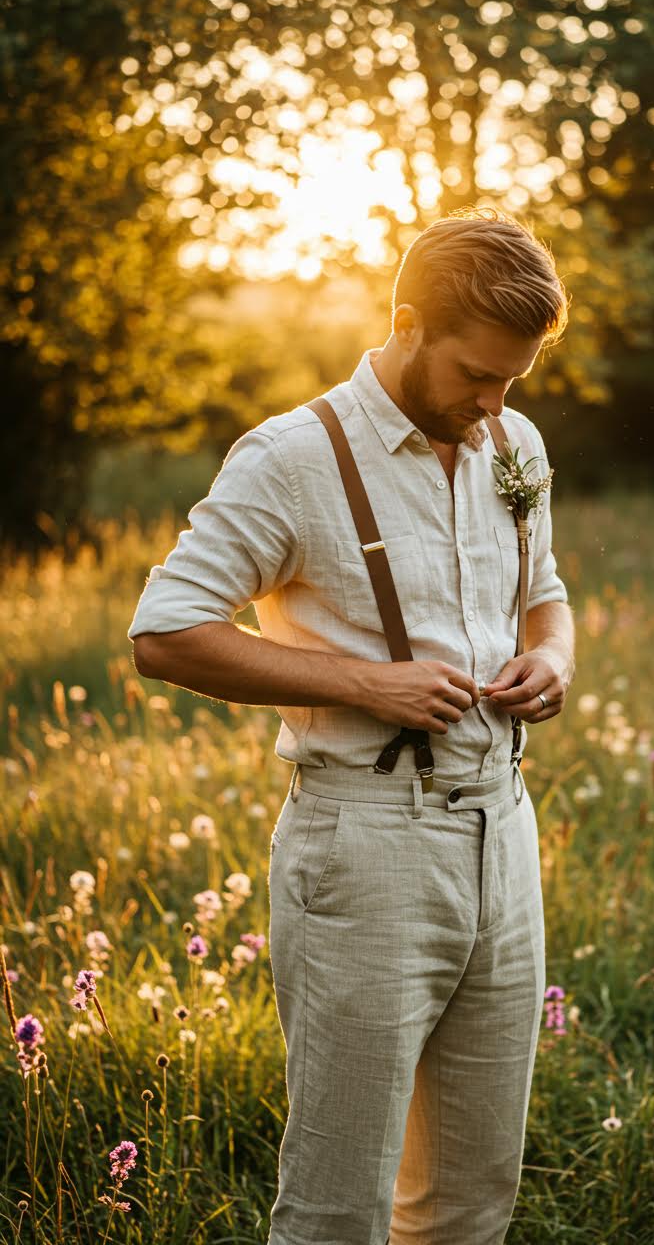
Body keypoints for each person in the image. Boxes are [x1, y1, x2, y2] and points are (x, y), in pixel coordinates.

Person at [128, 205, 576, 1245]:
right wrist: (365, 684)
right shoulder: (289, 457)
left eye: (512, 380)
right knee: (338, 1200)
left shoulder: (513, 439)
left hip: (501, 830)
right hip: (364, 841)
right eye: (475, 372)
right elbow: (165, 631)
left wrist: (549, 659)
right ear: (409, 322)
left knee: (472, 1192)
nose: (492, 401)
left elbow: (543, 589)